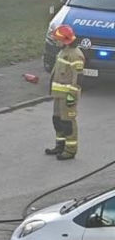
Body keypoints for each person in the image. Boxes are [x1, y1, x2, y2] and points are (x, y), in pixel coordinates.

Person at [45, 24, 84, 160]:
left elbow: (78, 79)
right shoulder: (63, 51)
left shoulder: (76, 55)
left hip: (67, 96)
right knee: (57, 120)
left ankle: (70, 150)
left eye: (58, 40)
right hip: (58, 95)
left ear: (65, 40)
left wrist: (71, 97)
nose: (56, 42)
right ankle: (60, 146)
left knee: (68, 123)